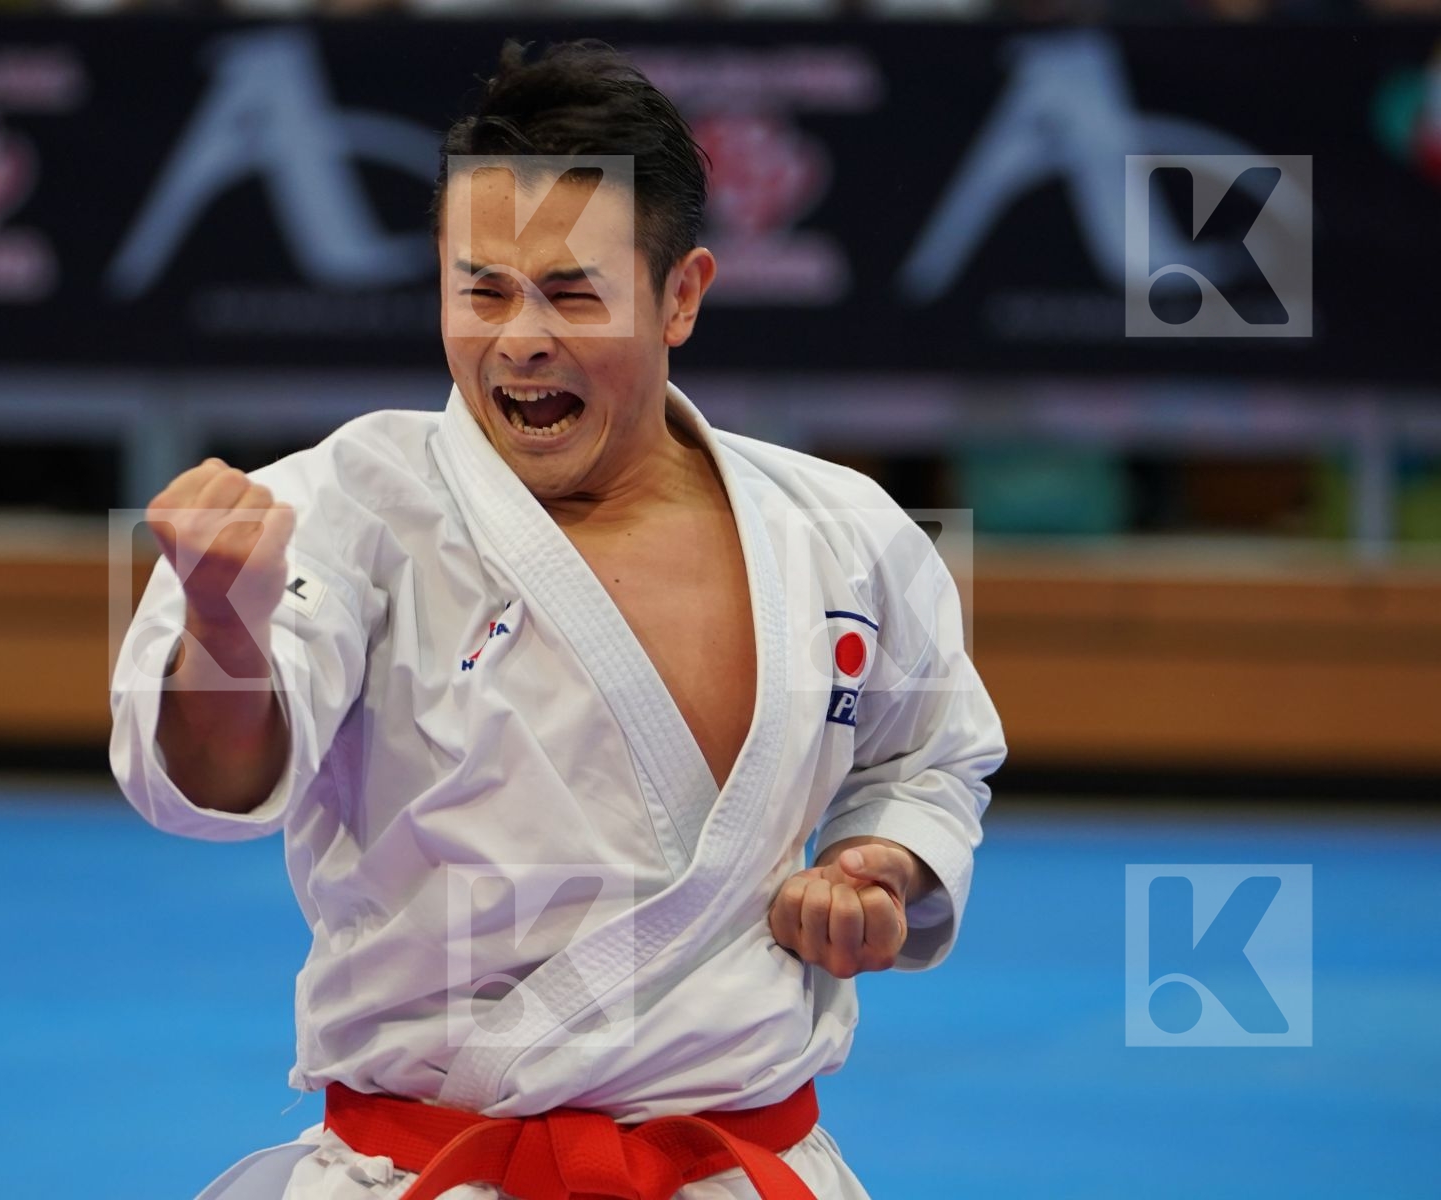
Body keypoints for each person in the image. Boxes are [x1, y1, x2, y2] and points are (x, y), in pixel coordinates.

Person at [110, 39, 1005, 1200]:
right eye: (479, 289)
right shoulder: (344, 506)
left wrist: (877, 866)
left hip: (732, 1170)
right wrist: (224, 636)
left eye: (573, 294)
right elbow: (208, 793)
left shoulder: (841, 529)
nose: (519, 338)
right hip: (429, 1168)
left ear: (682, 295)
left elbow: (930, 759)